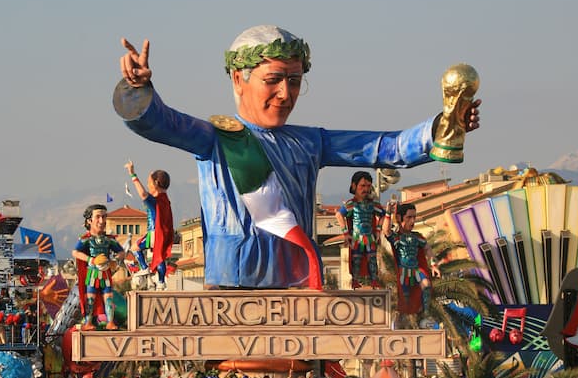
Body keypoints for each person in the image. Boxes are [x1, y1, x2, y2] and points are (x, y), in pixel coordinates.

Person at [114, 26, 480, 290]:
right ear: (238, 80)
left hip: (298, 281)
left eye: (294, 81)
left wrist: (445, 127)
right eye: (273, 79)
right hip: (233, 282)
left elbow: (388, 147)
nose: (286, 93)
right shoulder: (217, 138)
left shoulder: (310, 142)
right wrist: (137, 89)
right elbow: (159, 123)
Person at [382, 201, 440, 318]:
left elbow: (427, 248)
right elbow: (386, 231)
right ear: (399, 217)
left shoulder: (417, 237)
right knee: (405, 298)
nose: (413, 221)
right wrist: (388, 213)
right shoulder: (396, 236)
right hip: (403, 271)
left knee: (426, 285)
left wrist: (434, 264)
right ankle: (404, 318)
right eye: (409, 217)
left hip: (416, 269)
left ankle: (426, 314)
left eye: (414, 217)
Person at [72, 204, 125, 330]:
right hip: (92, 274)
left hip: (105, 273)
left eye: (104, 217)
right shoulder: (86, 240)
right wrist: (92, 260)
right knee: (90, 298)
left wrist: (115, 260)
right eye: (98, 217)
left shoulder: (109, 240)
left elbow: (121, 252)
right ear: (89, 221)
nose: (102, 221)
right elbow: (75, 252)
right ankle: (88, 322)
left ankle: (110, 322)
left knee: (109, 298)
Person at [124, 161, 174, 291]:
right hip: (163, 234)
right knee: (160, 257)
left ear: (156, 184)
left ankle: (144, 267)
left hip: (154, 233)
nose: (147, 185)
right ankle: (161, 282)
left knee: (135, 247)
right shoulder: (165, 200)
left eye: (149, 182)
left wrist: (133, 175)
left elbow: (143, 194)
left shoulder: (156, 201)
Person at [336, 171, 385, 289]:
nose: (366, 189)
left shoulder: (373, 204)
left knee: (372, 259)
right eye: (362, 186)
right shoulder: (351, 204)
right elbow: (339, 215)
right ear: (354, 186)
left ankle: (374, 280)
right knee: (356, 260)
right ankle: (355, 280)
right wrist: (346, 233)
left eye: (368, 186)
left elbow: (383, 214)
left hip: (369, 237)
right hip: (357, 237)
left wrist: (378, 230)